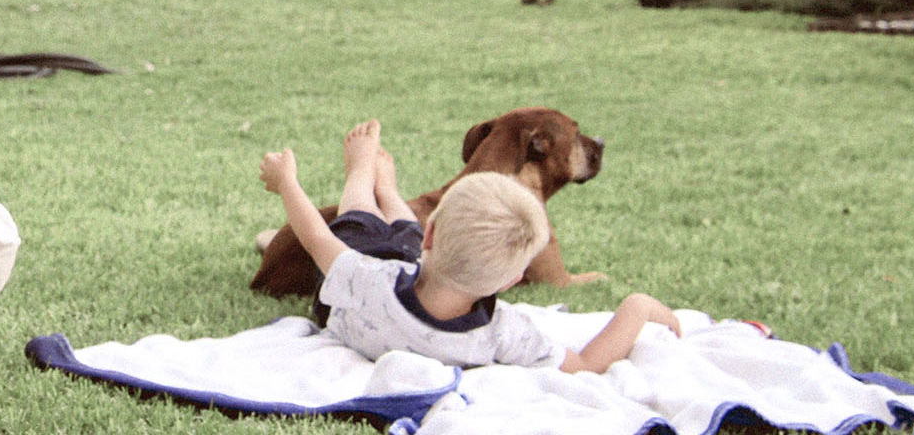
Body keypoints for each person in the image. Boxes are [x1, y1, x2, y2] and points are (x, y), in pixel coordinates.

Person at [260, 121, 680, 373]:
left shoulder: (367, 279)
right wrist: (638, 307)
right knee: (392, 227)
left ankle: (363, 174)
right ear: (513, 280)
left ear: (430, 235)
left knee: (359, 212)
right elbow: (587, 365)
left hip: (371, 269)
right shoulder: (503, 333)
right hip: (406, 260)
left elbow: (317, 237)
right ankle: (385, 188)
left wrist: (287, 182)